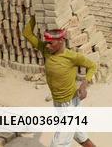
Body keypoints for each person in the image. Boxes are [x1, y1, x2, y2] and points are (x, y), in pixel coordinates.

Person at [22, 16, 98, 147]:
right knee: (81, 138)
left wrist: (84, 85)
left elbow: (92, 66)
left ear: (61, 41)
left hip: (70, 106)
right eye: (46, 42)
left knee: (58, 145)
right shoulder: (47, 50)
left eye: (51, 43)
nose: (48, 45)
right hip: (58, 103)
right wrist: (36, 14)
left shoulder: (72, 57)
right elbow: (27, 33)